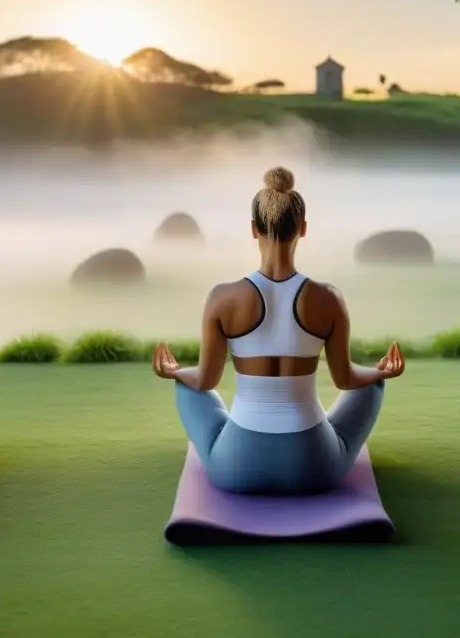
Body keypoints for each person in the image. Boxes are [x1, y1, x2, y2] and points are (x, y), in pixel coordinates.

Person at [152, 166, 405, 495]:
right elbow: (346, 379)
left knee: (188, 387)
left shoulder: (221, 297)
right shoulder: (328, 298)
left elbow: (205, 380)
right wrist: (377, 372)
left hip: (237, 468)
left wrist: (175, 372)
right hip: (315, 468)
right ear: (303, 228)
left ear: (253, 229)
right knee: (372, 385)